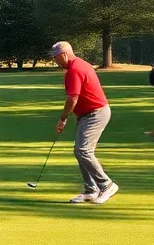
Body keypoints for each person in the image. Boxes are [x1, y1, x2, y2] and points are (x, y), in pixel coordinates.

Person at [51, 41, 118, 205]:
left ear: (64, 54)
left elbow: (72, 98)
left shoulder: (74, 70)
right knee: (80, 150)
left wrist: (63, 118)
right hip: (89, 113)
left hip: (96, 113)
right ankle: (91, 190)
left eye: (56, 57)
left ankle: (106, 185)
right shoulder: (78, 65)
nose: (55, 61)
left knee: (83, 150)